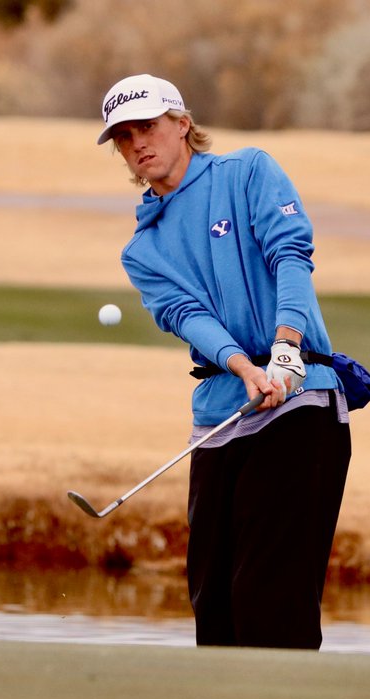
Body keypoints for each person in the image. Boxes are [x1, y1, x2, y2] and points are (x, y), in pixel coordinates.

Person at [97, 74, 351, 650]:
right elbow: (187, 315)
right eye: (123, 137)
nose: (138, 143)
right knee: (213, 604)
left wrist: (286, 347)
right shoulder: (143, 249)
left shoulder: (248, 173)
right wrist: (242, 367)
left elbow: (291, 253)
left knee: (269, 594)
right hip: (221, 411)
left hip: (301, 397)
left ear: (183, 123)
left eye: (148, 127)